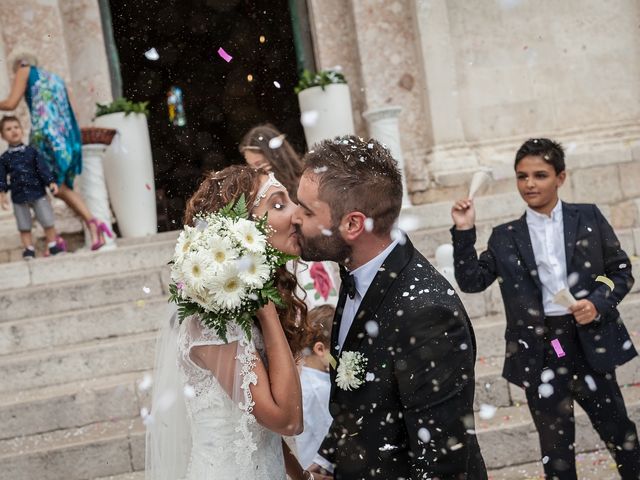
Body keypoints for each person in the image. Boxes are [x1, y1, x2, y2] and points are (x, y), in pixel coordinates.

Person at [293, 136, 487, 479]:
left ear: (352, 224)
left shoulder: (428, 316)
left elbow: (440, 462)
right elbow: (357, 403)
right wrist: (329, 460)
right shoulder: (358, 274)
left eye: (307, 211)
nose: (295, 217)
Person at [450, 138, 640, 479]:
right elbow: (472, 281)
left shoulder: (588, 217)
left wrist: (597, 303)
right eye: (522, 177)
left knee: (620, 434)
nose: (530, 184)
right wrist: (464, 231)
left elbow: (620, 272)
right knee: (556, 452)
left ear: (561, 177)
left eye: (540, 175)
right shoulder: (504, 236)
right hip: (541, 351)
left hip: (587, 342)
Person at [146, 165, 331, 480]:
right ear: (242, 232)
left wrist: (303, 477)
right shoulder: (212, 321)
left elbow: (258, 428)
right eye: (278, 203)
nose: (297, 214)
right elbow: (286, 421)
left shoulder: (244, 306)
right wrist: (268, 313)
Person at [0, 50, 111, 250]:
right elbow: (73, 112)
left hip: (46, 137)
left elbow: (10, 103)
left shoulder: (24, 69)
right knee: (58, 187)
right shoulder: (57, 79)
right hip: (65, 138)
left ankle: (72, 231)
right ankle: (85, 228)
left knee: (51, 185)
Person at [241, 123, 340, 309]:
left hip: (308, 262)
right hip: (283, 267)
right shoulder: (259, 196)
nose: (257, 173)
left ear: (276, 157)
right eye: (250, 167)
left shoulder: (304, 184)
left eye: (260, 165)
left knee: (321, 314)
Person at [0, 115, 64, 259]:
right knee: (24, 224)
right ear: (3, 136)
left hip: (37, 191)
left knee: (47, 219)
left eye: (16, 127)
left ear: (22, 130)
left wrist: (50, 182)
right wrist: (2, 193)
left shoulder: (32, 152)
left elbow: (43, 169)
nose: (13, 131)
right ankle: (28, 249)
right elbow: (2, 177)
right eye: (8, 129)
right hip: (18, 194)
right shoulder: (4, 158)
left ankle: (53, 244)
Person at [296, 305, 334, 469]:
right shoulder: (319, 389)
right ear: (320, 349)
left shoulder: (305, 377)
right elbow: (328, 433)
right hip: (319, 469)